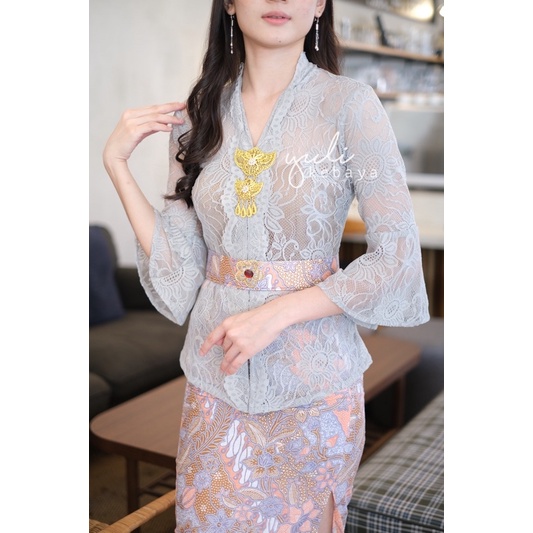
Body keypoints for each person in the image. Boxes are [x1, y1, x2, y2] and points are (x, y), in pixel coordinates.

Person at [103, 0, 430, 531]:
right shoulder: (199, 115)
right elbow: (181, 269)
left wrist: (276, 314)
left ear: (319, 4)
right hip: (217, 382)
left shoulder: (351, 105)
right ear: (231, 4)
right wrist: (117, 165)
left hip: (314, 386)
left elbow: (396, 257)